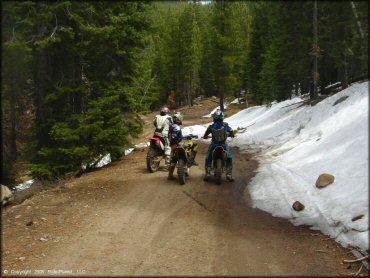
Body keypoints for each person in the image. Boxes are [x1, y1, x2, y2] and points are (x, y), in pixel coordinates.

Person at [203, 109, 235, 181]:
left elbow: (205, 134)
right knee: (229, 156)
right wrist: (232, 134)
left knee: (208, 156)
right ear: (222, 117)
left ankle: (208, 173)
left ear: (214, 118)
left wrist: (205, 136)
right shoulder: (225, 125)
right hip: (223, 145)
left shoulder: (211, 126)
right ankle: (229, 174)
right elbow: (231, 131)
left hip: (214, 144)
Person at [168, 112, 198, 180]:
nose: (181, 120)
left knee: (173, 160)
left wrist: (186, 136)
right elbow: (175, 137)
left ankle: (170, 175)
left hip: (172, 146)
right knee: (194, 144)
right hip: (177, 144)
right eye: (180, 118)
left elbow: (177, 136)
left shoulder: (172, 126)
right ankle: (192, 160)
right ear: (177, 119)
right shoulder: (176, 127)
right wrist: (179, 143)